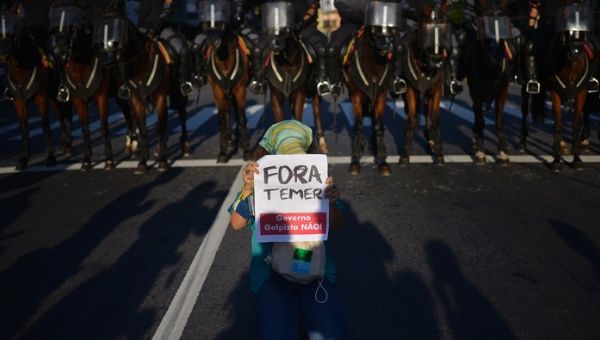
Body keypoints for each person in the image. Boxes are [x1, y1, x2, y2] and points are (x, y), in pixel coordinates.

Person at [229, 119, 346, 339]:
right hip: (270, 275)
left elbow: (338, 223)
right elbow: (236, 223)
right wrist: (247, 189)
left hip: (315, 271)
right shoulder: (259, 183)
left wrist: (330, 201)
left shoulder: (319, 180)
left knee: (329, 335)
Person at [244, 0, 331, 96]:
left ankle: (322, 80)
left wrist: (302, 22)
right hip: (273, 30)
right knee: (257, 50)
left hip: (303, 28)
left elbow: (313, 8)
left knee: (320, 49)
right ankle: (258, 81)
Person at [328, 0, 410, 98]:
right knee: (333, 48)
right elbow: (341, 4)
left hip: (381, 26)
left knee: (399, 47)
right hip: (351, 25)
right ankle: (335, 82)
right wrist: (366, 15)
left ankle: (396, 79)